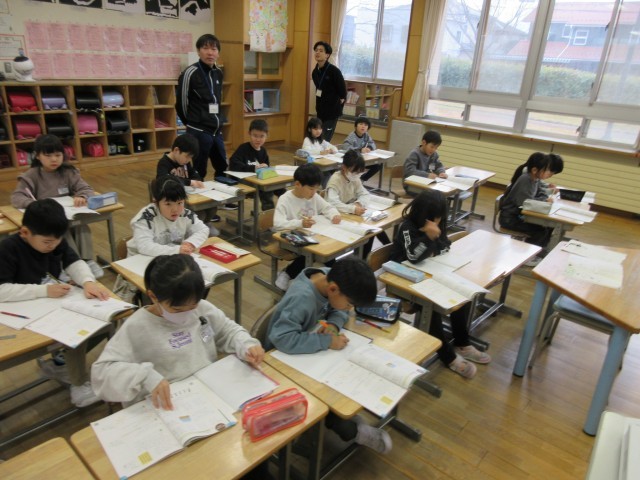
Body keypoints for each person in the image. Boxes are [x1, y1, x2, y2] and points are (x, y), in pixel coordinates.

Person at [92, 254, 264, 408]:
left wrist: (246, 344)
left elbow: (227, 330)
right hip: (165, 402)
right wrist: (145, 376)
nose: (186, 314)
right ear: (153, 296)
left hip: (206, 392)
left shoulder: (202, 309)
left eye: (193, 306)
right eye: (177, 310)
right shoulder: (137, 326)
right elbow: (102, 373)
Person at [266, 257, 392, 454]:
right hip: (279, 361)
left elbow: (338, 310)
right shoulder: (302, 297)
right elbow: (282, 339)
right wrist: (326, 342)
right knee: (330, 396)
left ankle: (346, 421)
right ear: (333, 289)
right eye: (349, 304)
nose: (350, 309)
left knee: (345, 376)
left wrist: (333, 324)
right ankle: (350, 429)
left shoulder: (329, 279)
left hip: (305, 349)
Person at [0, 199, 110, 407]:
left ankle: (61, 361)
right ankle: (78, 384)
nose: (54, 246)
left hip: (49, 305)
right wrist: (44, 291)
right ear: (25, 232)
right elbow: (1, 290)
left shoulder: (54, 240)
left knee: (107, 321)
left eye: (58, 240)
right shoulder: (8, 249)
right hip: (20, 314)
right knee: (76, 332)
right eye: (47, 242)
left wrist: (88, 282)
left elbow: (73, 261)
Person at [389, 190, 491, 379]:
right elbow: (413, 256)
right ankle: (448, 356)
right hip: (404, 278)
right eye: (434, 218)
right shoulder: (407, 227)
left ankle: (462, 342)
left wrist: (435, 239)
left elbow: (445, 246)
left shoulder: (436, 224)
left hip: (432, 272)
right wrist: (428, 238)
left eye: (439, 218)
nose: (437, 222)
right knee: (431, 307)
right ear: (422, 214)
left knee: (463, 293)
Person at [11, 134, 103, 278]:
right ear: (38, 156)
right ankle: (68, 264)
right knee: (61, 231)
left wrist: (82, 196)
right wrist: (35, 205)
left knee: (82, 227)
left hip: (68, 213)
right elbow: (17, 197)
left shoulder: (68, 172)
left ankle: (86, 260)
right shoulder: (31, 175)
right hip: (47, 220)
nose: (54, 159)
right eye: (48, 155)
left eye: (58, 155)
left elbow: (86, 188)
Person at [177, 34, 229, 222]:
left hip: (215, 129)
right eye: (206, 48)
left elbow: (217, 101)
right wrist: (191, 123)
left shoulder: (218, 73)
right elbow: (181, 103)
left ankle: (219, 201)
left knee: (221, 165)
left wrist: (217, 121)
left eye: (214, 49)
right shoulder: (190, 73)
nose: (210, 52)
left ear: (218, 52)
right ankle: (200, 210)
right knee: (199, 169)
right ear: (199, 51)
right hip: (198, 129)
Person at [273, 163, 341, 291]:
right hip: (290, 239)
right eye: (311, 189)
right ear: (297, 184)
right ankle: (287, 273)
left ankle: (334, 281)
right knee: (312, 252)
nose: (314, 192)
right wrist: (300, 223)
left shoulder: (313, 196)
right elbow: (278, 224)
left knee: (328, 252)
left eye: (316, 189)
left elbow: (328, 207)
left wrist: (334, 215)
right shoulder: (285, 199)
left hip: (312, 235)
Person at [325, 149, 390, 258]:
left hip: (348, 214)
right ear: (344, 167)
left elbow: (364, 194)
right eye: (354, 172)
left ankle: (368, 256)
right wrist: (352, 209)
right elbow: (333, 203)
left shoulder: (355, 178)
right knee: (369, 230)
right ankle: (374, 255)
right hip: (336, 217)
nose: (357, 175)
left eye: (360, 172)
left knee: (373, 228)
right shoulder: (335, 180)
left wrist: (359, 203)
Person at [127, 175, 210, 257]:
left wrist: (190, 243)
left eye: (179, 203)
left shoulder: (185, 214)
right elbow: (145, 246)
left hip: (169, 257)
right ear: (156, 202)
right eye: (168, 204)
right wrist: (177, 250)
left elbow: (203, 229)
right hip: (141, 258)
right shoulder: (146, 217)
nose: (175, 209)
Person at [156, 133, 218, 232]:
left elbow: (194, 174)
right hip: (174, 201)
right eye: (187, 156)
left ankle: (204, 225)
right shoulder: (163, 163)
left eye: (191, 157)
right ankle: (192, 231)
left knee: (212, 207)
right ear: (176, 150)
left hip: (189, 196)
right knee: (200, 214)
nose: (189, 160)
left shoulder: (185, 162)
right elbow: (165, 180)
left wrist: (197, 180)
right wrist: (189, 182)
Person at [499, 152, 554, 256]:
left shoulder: (535, 179)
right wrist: (544, 201)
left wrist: (545, 200)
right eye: (546, 170)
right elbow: (526, 204)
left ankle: (539, 252)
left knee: (549, 226)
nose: (548, 173)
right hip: (510, 219)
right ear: (534, 170)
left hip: (520, 216)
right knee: (541, 231)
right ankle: (529, 255)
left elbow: (539, 194)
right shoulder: (525, 179)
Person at [229, 119, 285, 211]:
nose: (258, 139)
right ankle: (268, 214)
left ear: (267, 136)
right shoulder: (243, 148)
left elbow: (266, 169)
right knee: (266, 189)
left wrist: (266, 168)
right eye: (255, 136)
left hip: (258, 180)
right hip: (243, 181)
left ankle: (284, 211)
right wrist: (253, 168)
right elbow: (233, 164)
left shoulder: (263, 151)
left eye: (262, 136)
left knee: (280, 188)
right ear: (249, 133)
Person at [311, 41, 346, 142]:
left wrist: (337, 105)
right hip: (320, 110)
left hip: (332, 112)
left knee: (325, 139)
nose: (317, 52)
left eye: (321, 51)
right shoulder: (315, 72)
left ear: (327, 55)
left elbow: (343, 92)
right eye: (316, 50)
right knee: (318, 138)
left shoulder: (334, 71)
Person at [403, 130, 447, 194]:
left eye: (436, 148)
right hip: (411, 185)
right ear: (424, 142)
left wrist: (441, 172)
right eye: (432, 147)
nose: (433, 150)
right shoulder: (414, 154)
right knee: (433, 195)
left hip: (426, 184)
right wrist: (427, 175)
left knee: (439, 192)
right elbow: (409, 172)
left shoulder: (433, 155)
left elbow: (438, 166)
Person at [343, 116, 380, 183]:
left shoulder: (366, 135)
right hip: (353, 161)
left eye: (365, 125)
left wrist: (369, 148)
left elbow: (372, 143)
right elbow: (346, 148)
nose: (363, 126)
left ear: (368, 128)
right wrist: (360, 150)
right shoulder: (352, 136)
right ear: (356, 126)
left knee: (377, 166)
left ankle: (362, 179)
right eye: (361, 124)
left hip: (362, 159)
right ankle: (354, 180)